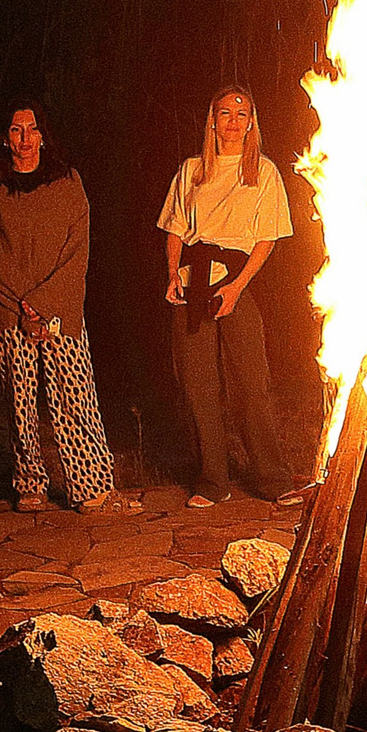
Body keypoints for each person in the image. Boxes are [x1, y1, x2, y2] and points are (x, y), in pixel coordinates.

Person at [0, 101, 124, 514]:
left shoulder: (68, 182)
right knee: (20, 402)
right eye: (16, 129)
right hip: (9, 310)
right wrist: (23, 304)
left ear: (44, 136)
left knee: (75, 396)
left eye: (33, 129)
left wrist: (42, 303)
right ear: (6, 137)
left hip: (59, 308)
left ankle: (90, 487)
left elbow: (78, 250)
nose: (25, 138)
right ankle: (30, 483)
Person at [158, 85, 295, 507]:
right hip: (193, 281)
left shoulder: (262, 171)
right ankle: (213, 482)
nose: (232, 122)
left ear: (251, 122)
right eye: (224, 114)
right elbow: (175, 228)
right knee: (199, 386)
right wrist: (173, 275)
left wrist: (237, 287)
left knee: (252, 384)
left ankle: (273, 480)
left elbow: (267, 239)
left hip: (236, 278)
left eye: (241, 114)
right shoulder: (192, 170)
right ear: (212, 120)